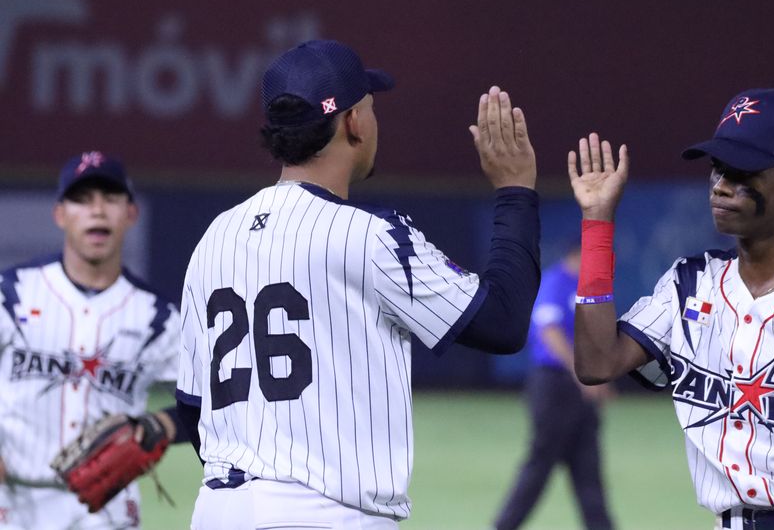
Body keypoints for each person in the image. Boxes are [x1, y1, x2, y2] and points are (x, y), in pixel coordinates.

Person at [175, 39, 541, 530]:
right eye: (369, 106)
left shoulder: (212, 239)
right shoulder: (369, 238)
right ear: (352, 122)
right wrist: (515, 190)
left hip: (218, 512)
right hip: (324, 514)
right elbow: (503, 322)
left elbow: (193, 408)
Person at [568, 88, 774, 529]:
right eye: (718, 168)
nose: (721, 185)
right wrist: (598, 221)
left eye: (743, 172)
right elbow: (596, 362)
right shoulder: (690, 284)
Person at [0, 151, 189, 529]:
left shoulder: (158, 317)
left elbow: (214, 403)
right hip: (15, 504)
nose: (97, 211)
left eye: (111, 198)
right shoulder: (13, 292)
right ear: (60, 214)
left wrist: (164, 425)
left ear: (130, 213)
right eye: (82, 199)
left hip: (108, 510)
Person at [493, 247, 614, 530]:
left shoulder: (587, 288)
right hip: (554, 384)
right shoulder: (556, 281)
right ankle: (503, 526)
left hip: (581, 389)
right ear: (579, 255)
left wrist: (600, 376)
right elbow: (549, 330)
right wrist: (581, 374)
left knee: (588, 469)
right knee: (540, 463)